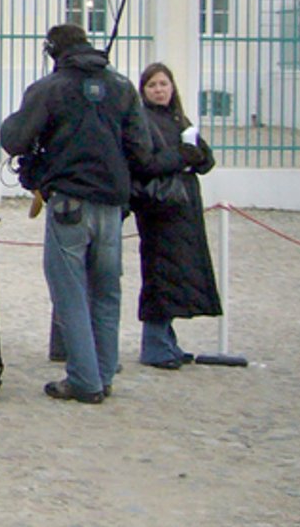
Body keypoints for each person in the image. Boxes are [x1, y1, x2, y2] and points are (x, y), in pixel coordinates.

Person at [0, 23, 149, 404]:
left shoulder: (50, 89)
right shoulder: (121, 86)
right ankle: (103, 371)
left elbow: (15, 139)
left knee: (70, 290)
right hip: (112, 202)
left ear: (53, 51)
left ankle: (84, 379)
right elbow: (141, 148)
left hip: (70, 197)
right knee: (107, 290)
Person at [129, 62, 219, 370]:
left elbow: (204, 159)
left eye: (163, 84)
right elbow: (145, 163)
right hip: (160, 208)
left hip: (184, 208)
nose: (159, 90)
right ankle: (154, 345)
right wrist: (180, 156)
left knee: (178, 273)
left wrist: (197, 155)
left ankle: (167, 340)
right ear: (144, 90)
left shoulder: (180, 119)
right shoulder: (142, 121)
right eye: (152, 85)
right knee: (159, 274)